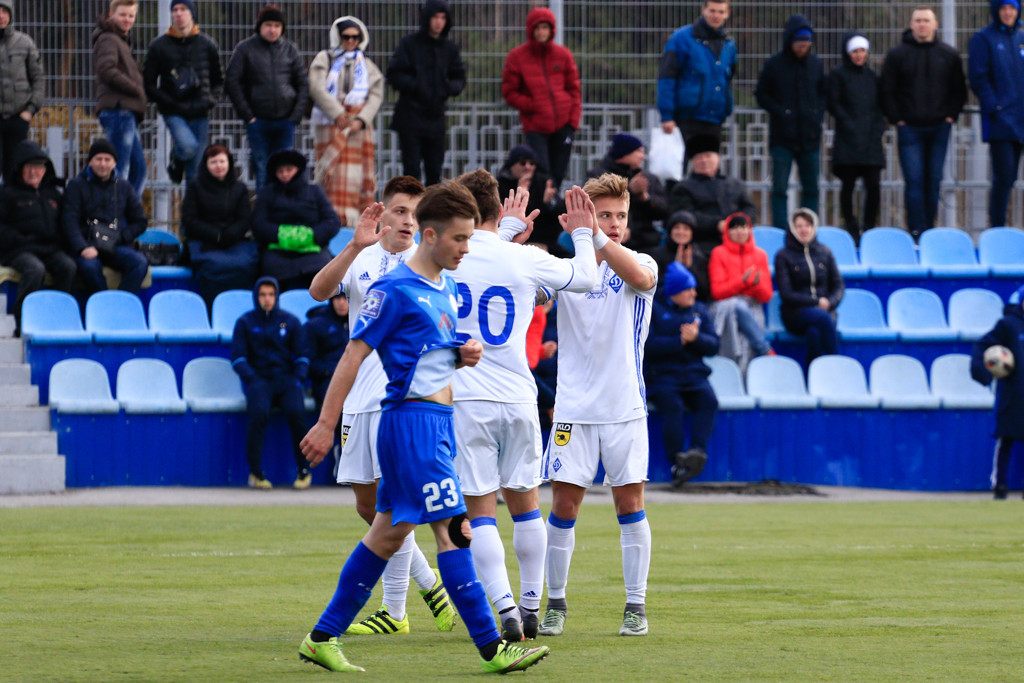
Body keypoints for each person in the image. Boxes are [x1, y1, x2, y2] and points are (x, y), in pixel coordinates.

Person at [296, 182, 550, 674]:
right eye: (459, 238)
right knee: (456, 531)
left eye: (470, 237)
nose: (466, 248)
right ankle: (493, 647)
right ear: (430, 236)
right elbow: (353, 355)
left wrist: (458, 355)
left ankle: (321, 637)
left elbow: (424, 355)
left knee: (386, 536)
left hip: (437, 424)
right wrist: (327, 423)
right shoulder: (394, 289)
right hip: (411, 427)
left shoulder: (446, 287)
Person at [307, 176, 460, 637]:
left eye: (415, 213)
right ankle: (428, 584)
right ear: (383, 212)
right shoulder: (364, 257)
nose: (407, 220)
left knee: (397, 507)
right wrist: (354, 246)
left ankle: (395, 611)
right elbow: (318, 291)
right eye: (399, 211)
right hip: (357, 400)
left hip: (401, 403)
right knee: (368, 506)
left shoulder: (427, 266)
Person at [450, 171, 598, 641]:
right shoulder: (523, 257)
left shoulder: (447, 258)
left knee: (479, 511)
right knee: (526, 504)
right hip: (516, 395)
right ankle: (532, 604)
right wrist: (581, 233)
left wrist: (506, 230)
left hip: (466, 396)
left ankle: (505, 610)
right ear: (498, 211)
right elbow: (586, 277)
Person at [539, 173, 658, 638]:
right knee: (564, 506)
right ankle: (555, 604)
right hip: (573, 409)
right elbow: (531, 293)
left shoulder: (639, 261)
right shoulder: (568, 270)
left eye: (620, 216)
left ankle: (635, 606)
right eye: (603, 215)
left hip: (624, 407)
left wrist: (592, 236)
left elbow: (641, 278)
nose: (614, 223)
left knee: (629, 504)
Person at [879, 6, 967, 238]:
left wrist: (951, 115)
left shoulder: (948, 55)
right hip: (909, 129)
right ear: (911, 24)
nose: (922, 25)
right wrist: (897, 118)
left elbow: (959, 89)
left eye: (926, 20)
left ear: (935, 24)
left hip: (939, 128)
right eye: (918, 20)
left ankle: (930, 231)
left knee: (934, 180)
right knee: (914, 181)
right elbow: (887, 90)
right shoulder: (897, 55)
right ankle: (917, 231)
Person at [230, 276, 311, 490]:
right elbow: (237, 358)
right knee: (258, 414)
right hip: (259, 379)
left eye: (271, 294)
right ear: (256, 297)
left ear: (277, 296)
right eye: (263, 295)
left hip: (286, 379)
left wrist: (298, 379)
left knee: (296, 412)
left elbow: (302, 356)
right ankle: (255, 472)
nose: (267, 299)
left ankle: (304, 470)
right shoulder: (245, 322)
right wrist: (252, 378)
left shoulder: (290, 321)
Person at [645, 262, 719, 487]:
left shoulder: (700, 310)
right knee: (673, 407)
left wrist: (697, 339)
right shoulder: (654, 309)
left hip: (694, 376)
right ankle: (677, 463)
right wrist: (679, 341)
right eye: (688, 290)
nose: (694, 294)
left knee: (709, 401)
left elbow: (714, 346)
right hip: (662, 376)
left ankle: (696, 454)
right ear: (675, 292)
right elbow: (647, 345)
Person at [308, 15, 384, 227]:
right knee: (329, 174)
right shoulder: (325, 58)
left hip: (358, 130)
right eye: (346, 37)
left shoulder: (367, 65)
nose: (350, 41)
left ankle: (356, 223)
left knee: (358, 177)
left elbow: (376, 94)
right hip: (331, 124)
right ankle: (329, 220)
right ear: (338, 37)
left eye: (355, 37)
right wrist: (337, 113)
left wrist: (362, 119)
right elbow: (316, 87)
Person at [225, 4, 308, 191]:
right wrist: (248, 116)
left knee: (285, 171)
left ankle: (283, 206)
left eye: (277, 26)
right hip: (258, 121)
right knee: (262, 169)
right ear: (260, 26)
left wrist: (295, 117)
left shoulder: (290, 50)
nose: (272, 30)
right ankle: (264, 207)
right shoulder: (245, 49)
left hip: (285, 121)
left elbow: (303, 84)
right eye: (268, 25)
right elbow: (232, 82)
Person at [755, 14, 826, 229]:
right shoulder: (774, 64)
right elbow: (762, 94)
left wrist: (816, 115)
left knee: (811, 188)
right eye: (799, 43)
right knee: (779, 188)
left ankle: (808, 229)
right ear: (789, 41)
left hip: (810, 137)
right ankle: (780, 229)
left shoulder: (816, 65)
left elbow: (824, 93)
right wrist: (781, 112)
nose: (803, 47)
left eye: (807, 43)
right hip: (782, 138)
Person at [386, 0, 466, 186]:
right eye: (435, 17)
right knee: (411, 171)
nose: (438, 22)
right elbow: (394, 74)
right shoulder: (409, 44)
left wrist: (447, 88)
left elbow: (459, 77)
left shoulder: (450, 49)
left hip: (436, 118)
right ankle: (410, 205)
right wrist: (417, 85)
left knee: (435, 172)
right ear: (427, 18)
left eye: (443, 17)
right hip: (410, 116)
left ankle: (431, 205)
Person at [143, 0, 223, 184]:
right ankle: (176, 159)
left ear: (192, 13)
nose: (178, 14)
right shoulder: (159, 46)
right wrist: (167, 102)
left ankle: (190, 203)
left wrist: (210, 100)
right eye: (175, 10)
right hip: (174, 111)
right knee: (188, 147)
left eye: (183, 9)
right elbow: (148, 83)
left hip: (200, 111)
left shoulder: (207, 44)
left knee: (195, 172)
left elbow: (218, 79)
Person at [501, 7, 581, 188]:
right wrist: (532, 105)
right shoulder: (517, 57)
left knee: (559, 173)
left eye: (545, 27)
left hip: (564, 125)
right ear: (530, 30)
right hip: (536, 127)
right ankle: (542, 204)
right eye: (537, 28)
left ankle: (553, 203)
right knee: (541, 174)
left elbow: (574, 90)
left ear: (551, 29)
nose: (541, 32)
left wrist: (572, 123)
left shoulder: (563, 55)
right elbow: (509, 92)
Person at [0, 141, 75, 332]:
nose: (34, 171)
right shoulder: (7, 194)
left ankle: (55, 319)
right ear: (20, 169)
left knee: (68, 266)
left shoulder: (54, 195)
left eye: (38, 167)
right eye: (29, 167)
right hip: (19, 250)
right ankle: (23, 320)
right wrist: (18, 240)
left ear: (45, 170)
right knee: (35, 269)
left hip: (50, 249)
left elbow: (67, 224)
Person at [61, 138, 148, 294]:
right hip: (87, 246)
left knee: (139, 263)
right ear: (90, 162)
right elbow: (69, 222)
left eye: (107, 159)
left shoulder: (124, 187)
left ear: (114, 163)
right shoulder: (76, 186)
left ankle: (120, 303)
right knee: (90, 268)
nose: (103, 164)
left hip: (115, 246)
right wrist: (82, 247)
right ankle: (102, 303)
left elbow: (140, 221)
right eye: (98, 159)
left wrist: (121, 238)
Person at [656, 0, 736, 166]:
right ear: (703, 10)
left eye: (721, 12)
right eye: (712, 11)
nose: (716, 16)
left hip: (714, 118)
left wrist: (726, 108)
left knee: (709, 171)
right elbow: (667, 77)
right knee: (678, 169)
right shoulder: (681, 39)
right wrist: (667, 115)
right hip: (685, 118)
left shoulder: (729, 44)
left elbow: (728, 79)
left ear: (727, 14)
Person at [251, 149, 340, 292]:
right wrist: (283, 235)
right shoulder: (267, 193)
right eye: (280, 171)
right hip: (277, 251)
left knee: (324, 274)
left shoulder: (314, 191)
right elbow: (258, 224)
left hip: (313, 251)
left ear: (298, 170)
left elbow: (332, 222)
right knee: (269, 270)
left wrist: (310, 236)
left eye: (289, 169)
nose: (284, 174)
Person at [969, 0, 1024, 228]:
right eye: (1003, 8)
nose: (1008, 13)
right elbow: (978, 78)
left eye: (1012, 8)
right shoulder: (984, 39)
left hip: (1021, 119)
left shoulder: (1021, 38)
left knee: (1011, 179)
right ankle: (997, 227)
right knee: (1004, 176)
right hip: (1000, 122)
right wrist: (995, 106)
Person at [181, 144, 258, 305]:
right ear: (206, 164)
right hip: (204, 242)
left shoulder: (240, 188)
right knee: (212, 267)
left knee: (246, 265)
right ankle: (213, 308)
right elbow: (189, 219)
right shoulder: (195, 186)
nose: (219, 166)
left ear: (229, 163)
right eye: (213, 162)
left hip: (234, 242)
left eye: (222, 161)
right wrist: (215, 235)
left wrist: (231, 234)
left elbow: (245, 219)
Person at [827, 33, 885, 243]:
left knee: (873, 185)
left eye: (862, 51)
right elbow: (834, 103)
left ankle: (869, 226)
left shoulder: (872, 77)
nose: (859, 55)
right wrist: (848, 124)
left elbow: (880, 106)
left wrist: (877, 128)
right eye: (855, 51)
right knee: (848, 185)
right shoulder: (838, 76)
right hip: (848, 140)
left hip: (870, 141)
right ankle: (850, 226)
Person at [971, 285, 1024, 499]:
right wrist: (983, 373)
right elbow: (982, 346)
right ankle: (1000, 487)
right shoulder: (1008, 325)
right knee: (1006, 440)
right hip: (1012, 395)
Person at [774, 208, 844, 366]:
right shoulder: (783, 255)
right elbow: (786, 293)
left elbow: (838, 285)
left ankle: (811, 376)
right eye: (799, 226)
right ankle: (837, 365)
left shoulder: (825, 252)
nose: (804, 229)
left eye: (807, 225)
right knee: (822, 317)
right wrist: (817, 302)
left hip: (825, 311)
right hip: (795, 313)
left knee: (815, 333)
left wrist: (830, 302)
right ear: (793, 229)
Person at [92, 0, 147, 198]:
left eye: (131, 16)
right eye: (123, 15)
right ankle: (116, 212)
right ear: (111, 14)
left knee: (138, 170)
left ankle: (128, 211)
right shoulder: (108, 39)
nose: (127, 20)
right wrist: (135, 88)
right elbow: (107, 70)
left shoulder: (120, 40)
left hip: (125, 112)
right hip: (118, 111)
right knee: (120, 171)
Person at [667, 133, 757, 252]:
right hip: (701, 245)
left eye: (708, 156)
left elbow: (750, 208)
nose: (704, 161)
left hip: (737, 242)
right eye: (699, 157)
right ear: (692, 162)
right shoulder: (683, 188)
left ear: (718, 158)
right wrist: (717, 225)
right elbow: (685, 215)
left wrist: (736, 223)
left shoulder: (735, 184)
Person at [708, 212, 773, 368]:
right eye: (734, 227)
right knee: (737, 305)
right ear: (727, 231)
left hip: (752, 306)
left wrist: (755, 285)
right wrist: (742, 282)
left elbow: (766, 296)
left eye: (743, 227)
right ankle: (765, 349)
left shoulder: (760, 255)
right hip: (724, 306)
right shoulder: (718, 253)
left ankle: (745, 377)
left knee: (745, 338)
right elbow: (718, 292)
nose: (739, 231)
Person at [586, 133, 669, 253]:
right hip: (606, 244)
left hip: (646, 244)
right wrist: (629, 191)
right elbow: (592, 205)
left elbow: (664, 211)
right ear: (625, 153)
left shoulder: (646, 179)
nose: (643, 156)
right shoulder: (598, 176)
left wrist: (645, 198)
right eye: (639, 151)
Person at [0, 0, 44, 184]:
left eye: (4, 11)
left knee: (15, 172)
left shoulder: (24, 42)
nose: (1, 16)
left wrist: (30, 110)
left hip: (18, 119)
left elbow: (38, 78)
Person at [495, 145, 562, 254]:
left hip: (544, 241)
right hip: (511, 242)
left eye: (532, 163)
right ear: (512, 165)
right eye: (522, 163)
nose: (528, 167)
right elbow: (498, 215)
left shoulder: (544, 182)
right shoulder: (500, 184)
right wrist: (519, 198)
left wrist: (550, 202)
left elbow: (560, 211)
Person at [649, 210, 711, 304]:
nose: (681, 232)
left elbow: (704, 292)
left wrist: (689, 268)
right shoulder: (657, 254)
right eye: (677, 228)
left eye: (686, 228)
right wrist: (676, 269)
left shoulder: (698, 256)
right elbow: (654, 288)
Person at [304, 291, 349, 409]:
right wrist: (328, 370)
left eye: (345, 298)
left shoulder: (359, 323)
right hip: (326, 379)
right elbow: (308, 360)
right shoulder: (315, 325)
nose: (342, 303)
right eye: (337, 298)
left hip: (355, 377)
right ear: (331, 300)